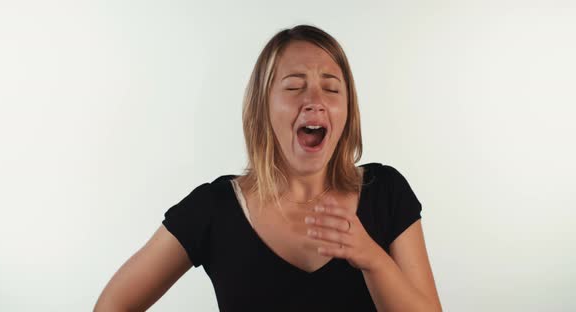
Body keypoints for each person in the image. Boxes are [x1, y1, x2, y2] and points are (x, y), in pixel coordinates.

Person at [94, 24, 442, 312]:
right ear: (263, 107)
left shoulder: (385, 191)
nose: (316, 101)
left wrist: (372, 259)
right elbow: (112, 306)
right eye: (294, 87)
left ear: (347, 110)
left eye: (332, 89)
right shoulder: (213, 209)